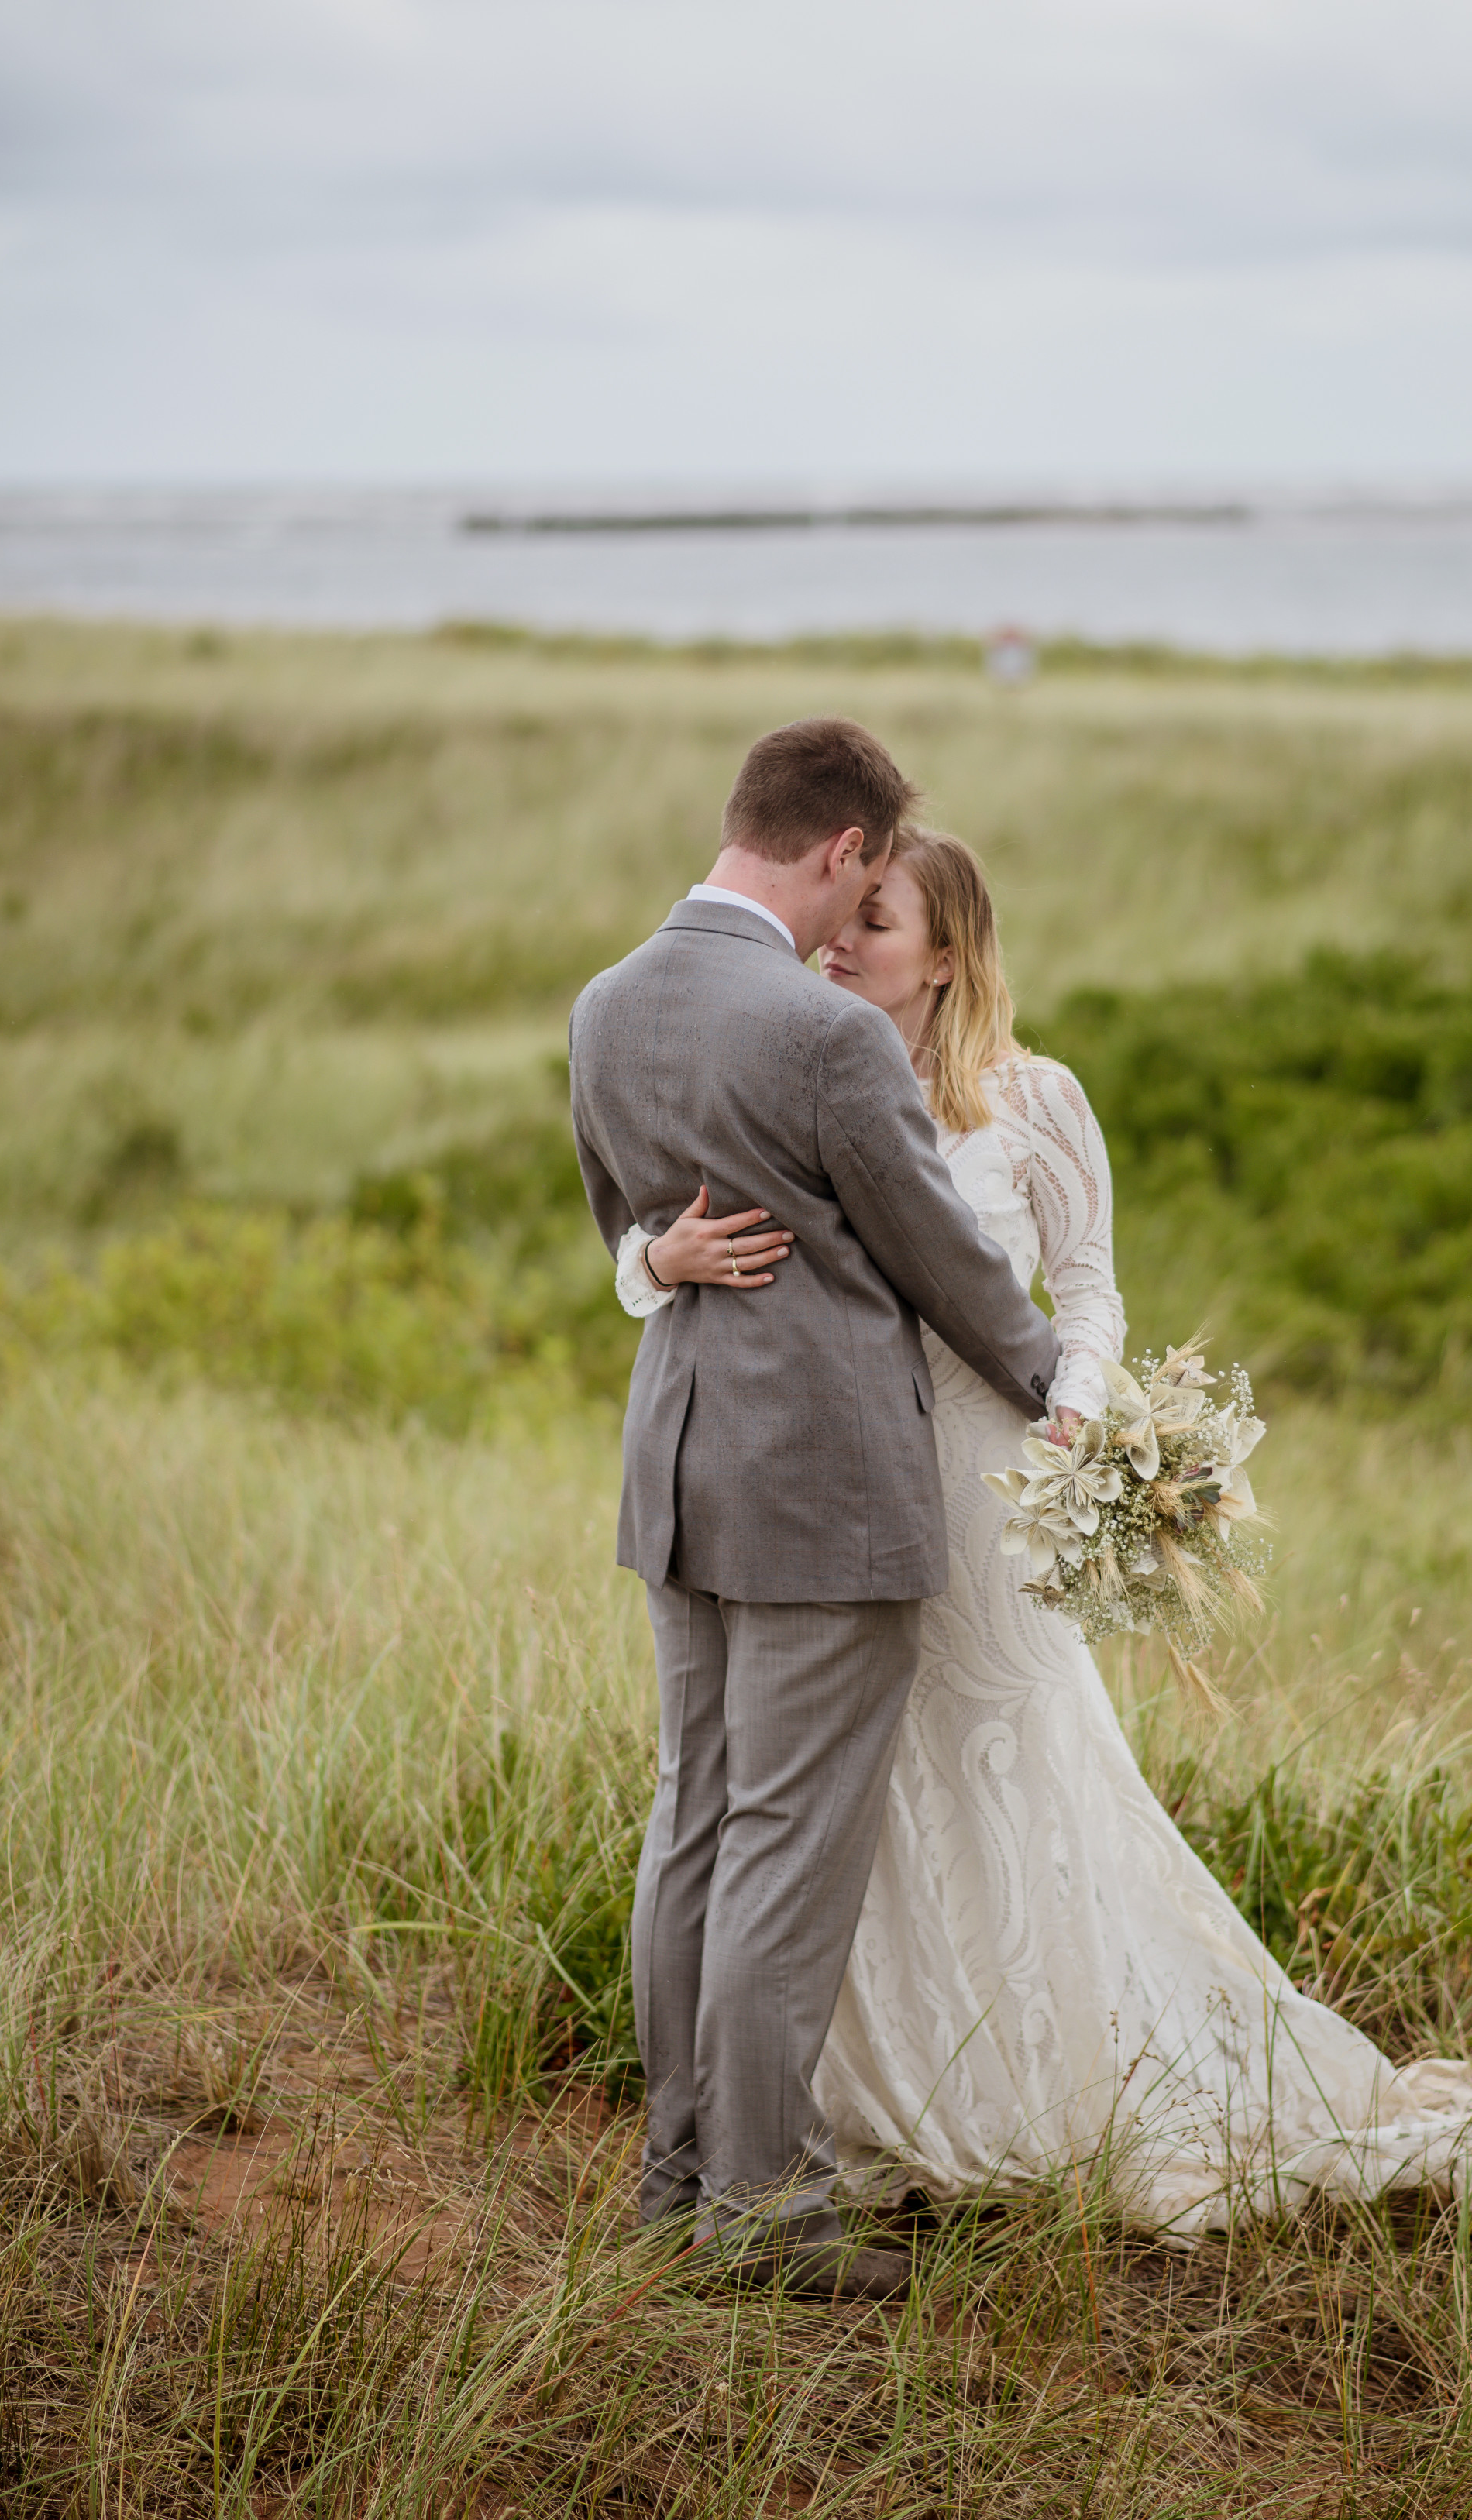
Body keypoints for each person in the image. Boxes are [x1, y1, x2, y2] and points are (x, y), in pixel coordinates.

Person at [619, 825, 1472, 2244]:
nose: (844, 940)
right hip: (819, 1493)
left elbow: (1089, 1290)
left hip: (983, 1486)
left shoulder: (1038, 1101)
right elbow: (662, 1206)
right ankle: (830, 2103)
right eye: (842, 915)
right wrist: (651, 1260)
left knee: (1010, 1776)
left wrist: (1079, 1410)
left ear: (950, 951)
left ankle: (1033, 2080)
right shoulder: (796, 1056)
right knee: (832, 1817)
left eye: (879, 920)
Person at [569, 723, 1062, 2300]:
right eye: (861, 882)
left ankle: (676, 2175)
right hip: (825, 1490)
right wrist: (1065, 1389)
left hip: (680, 1469)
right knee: (785, 1838)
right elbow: (941, 1254)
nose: (854, 921)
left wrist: (667, 1259)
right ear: (846, 848)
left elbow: (631, 1231)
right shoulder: (827, 1035)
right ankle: (763, 2209)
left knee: (695, 1815)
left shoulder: (604, 1008)